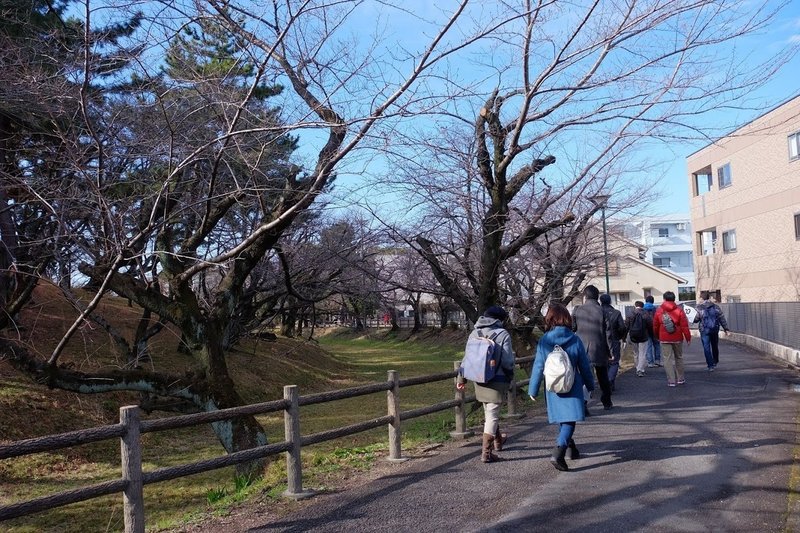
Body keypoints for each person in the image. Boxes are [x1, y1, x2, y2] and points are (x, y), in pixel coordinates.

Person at [528, 302, 595, 471]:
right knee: (569, 421)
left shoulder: (544, 341)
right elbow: (584, 365)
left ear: (550, 319)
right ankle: (558, 452)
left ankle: (571, 450)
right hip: (572, 385)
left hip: (552, 387)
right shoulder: (574, 339)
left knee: (562, 417)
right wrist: (590, 384)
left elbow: (538, 366)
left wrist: (533, 389)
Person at [457, 305, 515, 463]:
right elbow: (508, 361)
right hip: (497, 380)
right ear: (499, 319)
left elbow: (467, 358)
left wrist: (461, 379)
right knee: (492, 415)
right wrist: (510, 376)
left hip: (479, 379)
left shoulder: (475, 333)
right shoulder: (502, 334)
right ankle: (486, 453)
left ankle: (497, 441)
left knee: (490, 412)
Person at [572, 285, 613, 410]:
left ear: (585, 296)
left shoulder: (577, 310)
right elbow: (608, 333)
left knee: (583, 377)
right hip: (599, 348)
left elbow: (573, 328)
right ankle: (607, 401)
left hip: (582, 348)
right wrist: (611, 351)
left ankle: (583, 404)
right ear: (597, 297)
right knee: (603, 377)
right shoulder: (602, 311)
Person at [652, 291, 691, 387]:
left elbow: (655, 325)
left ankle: (671, 381)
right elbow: (684, 326)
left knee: (667, 359)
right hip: (677, 337)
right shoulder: (679, 310)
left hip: (664, 338)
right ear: (674, 299)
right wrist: (688, 337)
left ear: (664, 299)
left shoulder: (659, 310)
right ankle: (680, 378)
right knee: (679, 357)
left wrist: (657, 336)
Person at [695, 291, 730, 371]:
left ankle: (710, 366)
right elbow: (721, 318)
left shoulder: (699, 308)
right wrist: (726, 329)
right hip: (714, 329)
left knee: (706, 348)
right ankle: (715, 361)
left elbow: (696, 319)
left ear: (701, 298)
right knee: (714, 346)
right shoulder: (715, 307)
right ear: (709, 297)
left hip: (704, 330)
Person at [599, 294, 627, 391]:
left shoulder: (598, 312)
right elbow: (623, 327)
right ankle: (610, 380)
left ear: (600, 301)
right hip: (614, 339)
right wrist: (620, 336)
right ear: (610, 301)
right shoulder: (616, 313)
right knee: (614, 362)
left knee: (604, 362)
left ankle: (606, 382)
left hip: (600, 341)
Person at [625, 300, 653, 377]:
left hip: (633, 336)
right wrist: (652, 335)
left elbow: (626, 326)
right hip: (643, 336)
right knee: (642, 353)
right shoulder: (646, 314)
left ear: (635, 306)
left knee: (635, 353)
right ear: (642, 306)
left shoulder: (630, 313)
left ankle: (637, 366)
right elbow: (650, 325)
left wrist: (624, 337)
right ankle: (640, 369)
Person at [643, 295, 662, 367]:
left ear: (646, 300)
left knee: (649, 345)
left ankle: (650, 362)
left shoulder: (643, 309)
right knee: (657, 344)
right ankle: (657, 360)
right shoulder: (655, 309)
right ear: (653, 301)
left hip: (646, 329)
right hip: (655, 328)